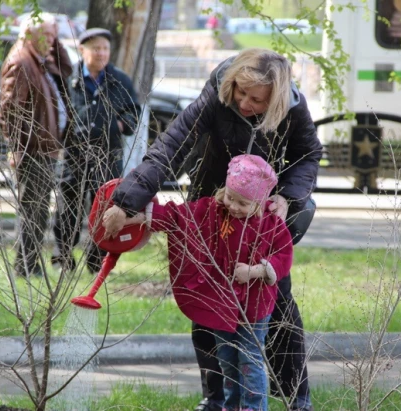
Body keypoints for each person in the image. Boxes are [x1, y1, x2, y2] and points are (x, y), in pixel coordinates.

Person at [101, 48, 322, 411]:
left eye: (256, 99)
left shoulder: (293, 107)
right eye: (241, 93)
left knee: (277, 299)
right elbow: (171, 145)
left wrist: (289, 196)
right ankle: (215, 397)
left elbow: (309, 154)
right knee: (206, 295)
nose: (244, 102)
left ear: (276, 99)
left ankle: (298, 398)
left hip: (262, 214)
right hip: (211, 203)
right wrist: (127, 202)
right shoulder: (217, 92)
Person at [117, 154, 293, 410]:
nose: (233, 206)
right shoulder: (211, 210)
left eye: (242, 203)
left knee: (250, 360)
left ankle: (253, 407)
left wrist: (256, 271)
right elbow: (179, 217)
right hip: (221, 303)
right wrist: (139, 215)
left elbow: (284, 255)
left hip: (254, 307)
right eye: (230, 197)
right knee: (227, 359)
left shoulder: (270, 224)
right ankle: (232, 405)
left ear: (259, 202)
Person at [51, 27, 139, 273]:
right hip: (74, 156)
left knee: (103, 209)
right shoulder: (69, 78)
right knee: (68, 206)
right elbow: (59, 112)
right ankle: (63, 258)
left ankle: (96, 261)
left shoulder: (120, 80)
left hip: (108, 156)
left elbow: (134, 111)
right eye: (96, 48)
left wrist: (119, 124)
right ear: (83, 50)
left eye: (105, 48)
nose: (101, 53)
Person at [0, 13, 72, 277]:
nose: (52, 41)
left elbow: (66, 70)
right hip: (34, 151)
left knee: (39, 210)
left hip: (45, 149)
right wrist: (20, 148)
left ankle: (29, 264)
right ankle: (26, 266)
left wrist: (55, 40)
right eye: (48, 35)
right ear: (29, 34)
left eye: (55, 35)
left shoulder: (38, 60)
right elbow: (11, 110)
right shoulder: (21, 62)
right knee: (34, 210)